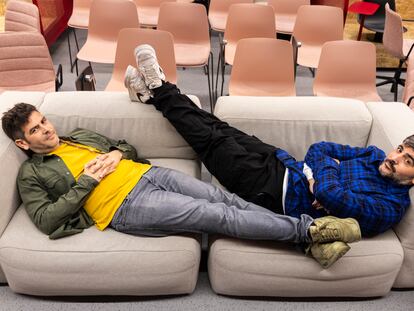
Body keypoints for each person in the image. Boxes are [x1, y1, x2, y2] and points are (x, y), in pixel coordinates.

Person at [0, 52, 363, 270]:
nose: (47, 130)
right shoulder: (31, 174)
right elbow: (47, 220)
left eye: (44, 121)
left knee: (229, 201)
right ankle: (310, 231)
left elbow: (125, 146)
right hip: (125, 205)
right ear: (22, 142)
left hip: (150, 174)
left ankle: (305, 244)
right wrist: (88, 182)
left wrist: (114, 152)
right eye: (36, 130)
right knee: (218, 217)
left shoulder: (76, 136)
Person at [125, 44, 414, 240]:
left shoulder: (390, 207)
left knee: (212, 142)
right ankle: (155, 93)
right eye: (400, 150)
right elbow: (320, 149)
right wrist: (323, 178)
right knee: (217, 126)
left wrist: (322, 177)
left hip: (273, 192)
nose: (395, 157)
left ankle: (159, 88)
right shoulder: (374, 154)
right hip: (281, 160)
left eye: (407, 161)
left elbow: (332, 195)